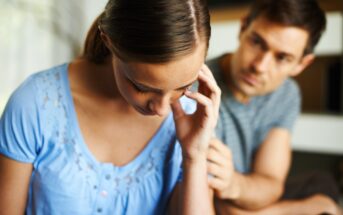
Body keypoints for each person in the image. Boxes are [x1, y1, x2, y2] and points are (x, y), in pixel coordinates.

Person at [0, 0, 221, 214]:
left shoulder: (192, 116)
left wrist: (195, 157)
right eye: (142, 88)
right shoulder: (35, 104)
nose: (162, 108)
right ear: (109, 41)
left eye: (181, 87)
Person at [205, 0, 342, 214]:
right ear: (243, 28)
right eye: (257, 42)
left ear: (301, 64)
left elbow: (270, 182)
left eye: (282, 58)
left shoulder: (286, 93)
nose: (260, 66)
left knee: (320, 180)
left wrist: (234, 184)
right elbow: (215, 203)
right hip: (219, 201)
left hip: (242, 191)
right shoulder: (201, 88)